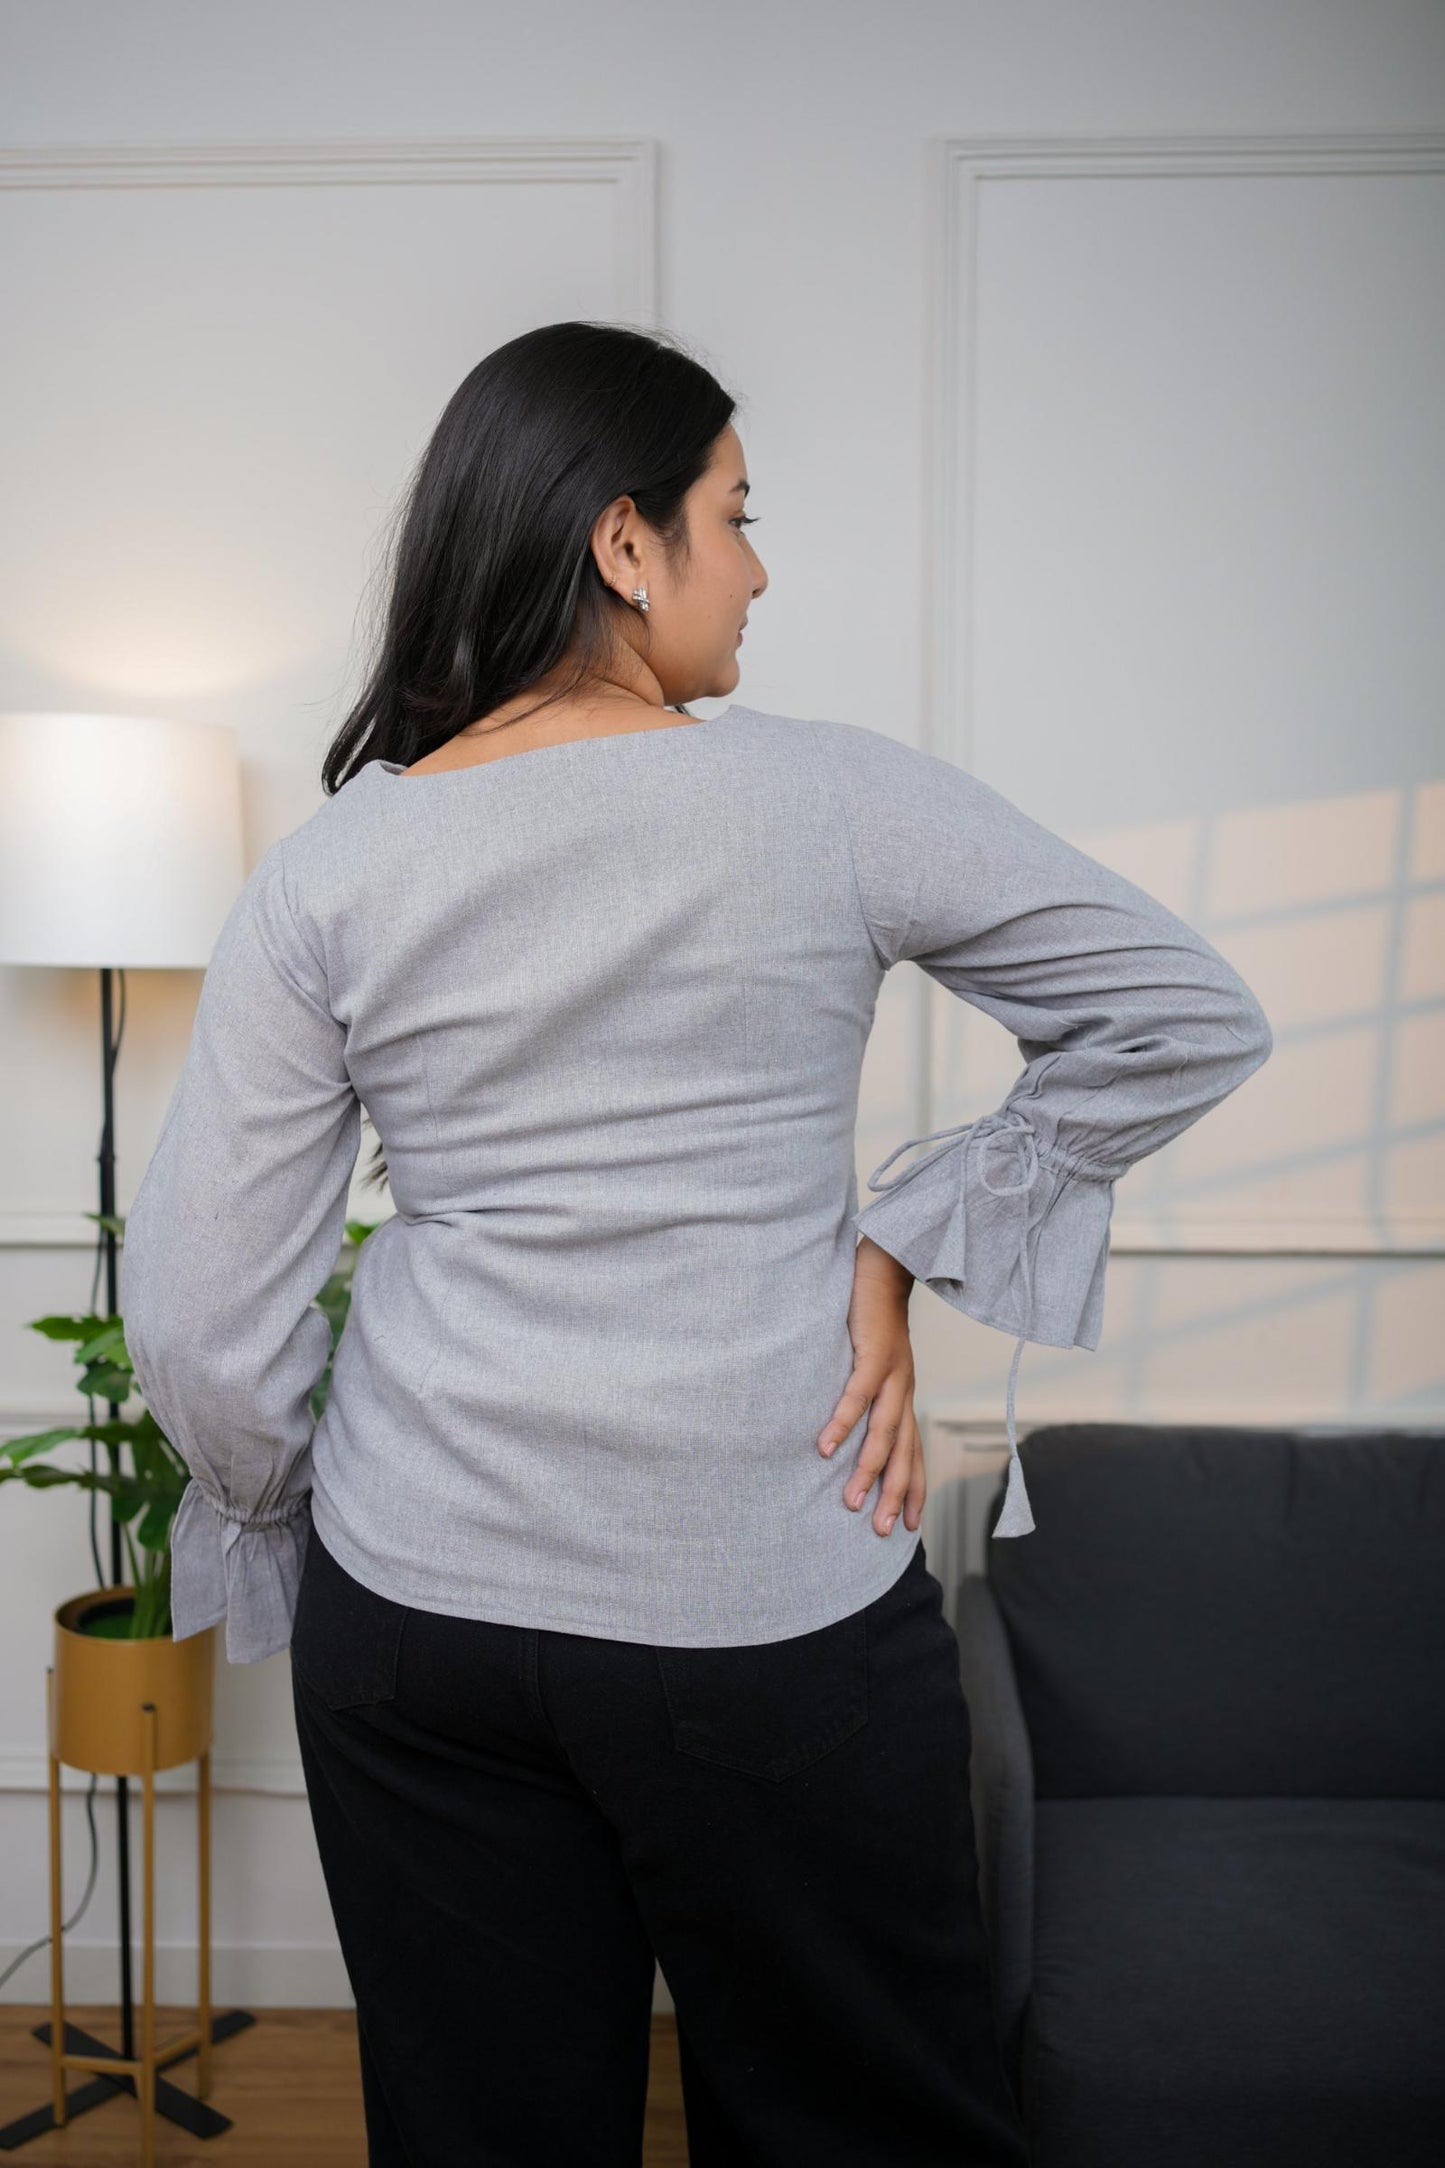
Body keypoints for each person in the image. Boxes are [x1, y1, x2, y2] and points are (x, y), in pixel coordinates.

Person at [119, 319, 1273, 2166]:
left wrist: (290, 1513)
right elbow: (1182, 1011)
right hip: (766, 1612)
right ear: (623, 542)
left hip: (418, 1623)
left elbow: (195, 1313)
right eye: (734, 514)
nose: (756, 567)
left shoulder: (331, 869)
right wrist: (899, 1242)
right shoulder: (827, 797)